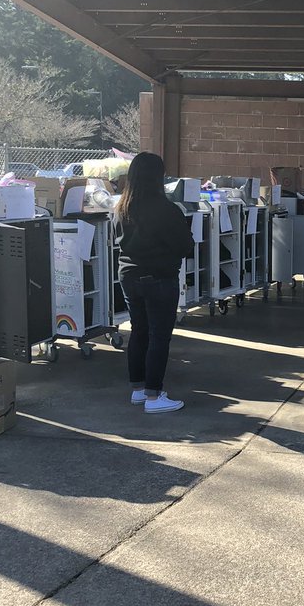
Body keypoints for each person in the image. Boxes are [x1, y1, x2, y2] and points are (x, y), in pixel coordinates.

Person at [114, 152, 194, 412]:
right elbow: (185, 246)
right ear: (158, 178)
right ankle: (153, 397)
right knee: (159, 337)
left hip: (128, 276)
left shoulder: (121, 207)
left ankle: (138, 389)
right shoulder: (166, 209)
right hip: (160, 278)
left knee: (139, 332)